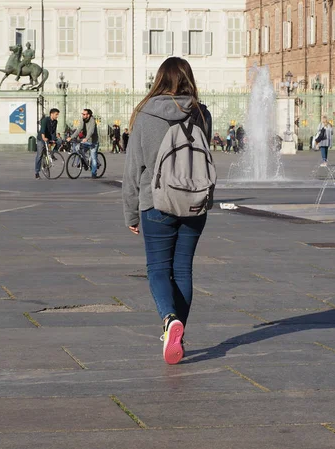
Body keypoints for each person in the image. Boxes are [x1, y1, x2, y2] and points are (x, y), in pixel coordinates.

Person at [122, 56, 212, 365]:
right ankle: (177, 334)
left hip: (156, 201)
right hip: (194, 201)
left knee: (158, 269)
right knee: (183, 270)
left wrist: (131, 213)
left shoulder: (145, 115)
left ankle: (169, 319)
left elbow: (134, 168)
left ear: (159, 79)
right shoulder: (202, 114)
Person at [68, 109, 99, 178]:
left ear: (88, 115)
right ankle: (85, 163)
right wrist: (71, 137)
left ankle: (94, 173)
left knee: (93, 158)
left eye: (84, 114)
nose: (83, 115)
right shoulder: (83, 120)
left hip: (93, 141)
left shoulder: (92, 121)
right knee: (79, 149)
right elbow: (79, 129)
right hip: (86, 141)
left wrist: (86, 138)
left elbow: (91, 131)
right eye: (82, 114)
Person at [35, 108, 59, 178]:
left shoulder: (55, 121)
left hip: (49, 138)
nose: (57, 116)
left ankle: (51, 154)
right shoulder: (45, 120)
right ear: (51, 114)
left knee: (56, 143)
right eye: (56, 114)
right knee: (39, 155)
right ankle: (37, 172)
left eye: (57, 115)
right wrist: (43, 138)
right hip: (41, 138)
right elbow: (42, 130)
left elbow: (53, 131)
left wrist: (54, 139)